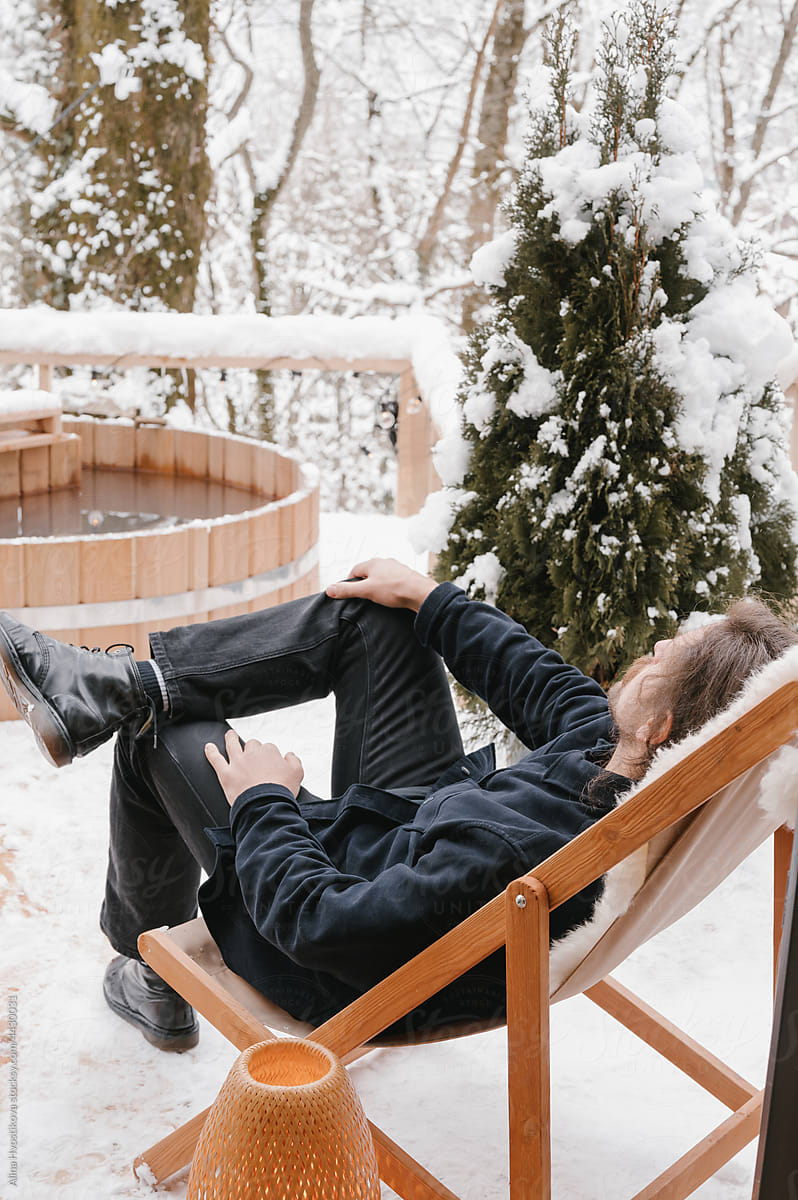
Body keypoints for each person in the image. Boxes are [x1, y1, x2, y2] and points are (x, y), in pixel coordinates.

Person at [0, 558, 794, 1051]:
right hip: (415, 836)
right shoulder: (620, 767)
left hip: (338, 926)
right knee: (377, 618)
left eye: (667, 658)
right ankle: (111, 686)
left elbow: (324, 927)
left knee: (155, 738)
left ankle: (150, 974)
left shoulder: (522, 851)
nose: (651, 649)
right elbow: (542, 681)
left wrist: (264, 804)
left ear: (658, 724)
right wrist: (430, 597)